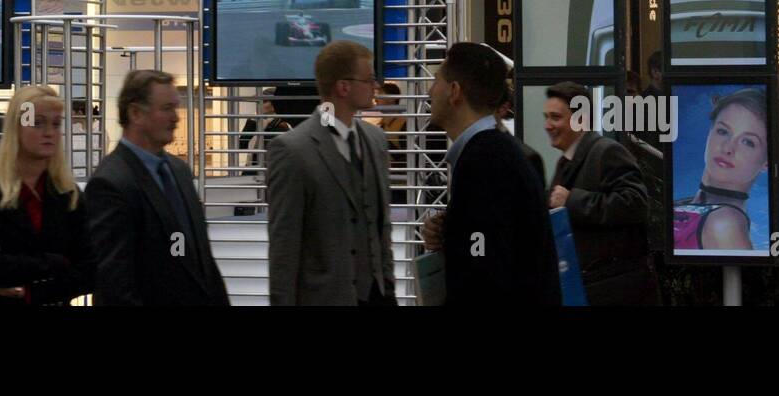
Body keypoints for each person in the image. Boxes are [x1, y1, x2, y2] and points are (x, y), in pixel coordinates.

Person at [422, 42, 560, 306]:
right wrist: (450, 233)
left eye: (436, 81)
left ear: (454, 91)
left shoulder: (484, 162)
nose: (430, 91)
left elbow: (482, 268)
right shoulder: (496, 153)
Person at [266, 41, 395, 306]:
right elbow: (284, 249)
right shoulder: (292, 150)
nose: (376, 86)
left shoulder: (376, 140)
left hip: (377, 297)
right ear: (343, 87)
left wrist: (388, 289)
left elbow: (381, 229)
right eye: (369, 79)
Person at [86, 70, 228, 306]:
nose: (176, 117)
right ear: (135, 113)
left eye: (175, 107)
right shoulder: (111, 184)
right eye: (166, 108)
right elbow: (115, 284)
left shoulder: (179, 172)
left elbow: (201, 260)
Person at [0, 86, 94, 306]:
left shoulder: (69, 194)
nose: (49, 132)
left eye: (56, 124)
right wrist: (58, 262)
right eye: (37, 123)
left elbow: (90, 270)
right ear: (16, 128)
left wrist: (31, 291)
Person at [544, 82, 659, 305]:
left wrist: (572, 200)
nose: (547, 125)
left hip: (613, 291)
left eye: (555, 117)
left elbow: (635, 203)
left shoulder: (606, 151)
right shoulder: (566, 161)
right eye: (546, 117)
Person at [672, 88, 768, 252]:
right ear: (709, 133)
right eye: (723, 131)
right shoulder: (690, 205)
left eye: (748, 142)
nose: (728, 148)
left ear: (766, 162)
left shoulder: (724, 223)